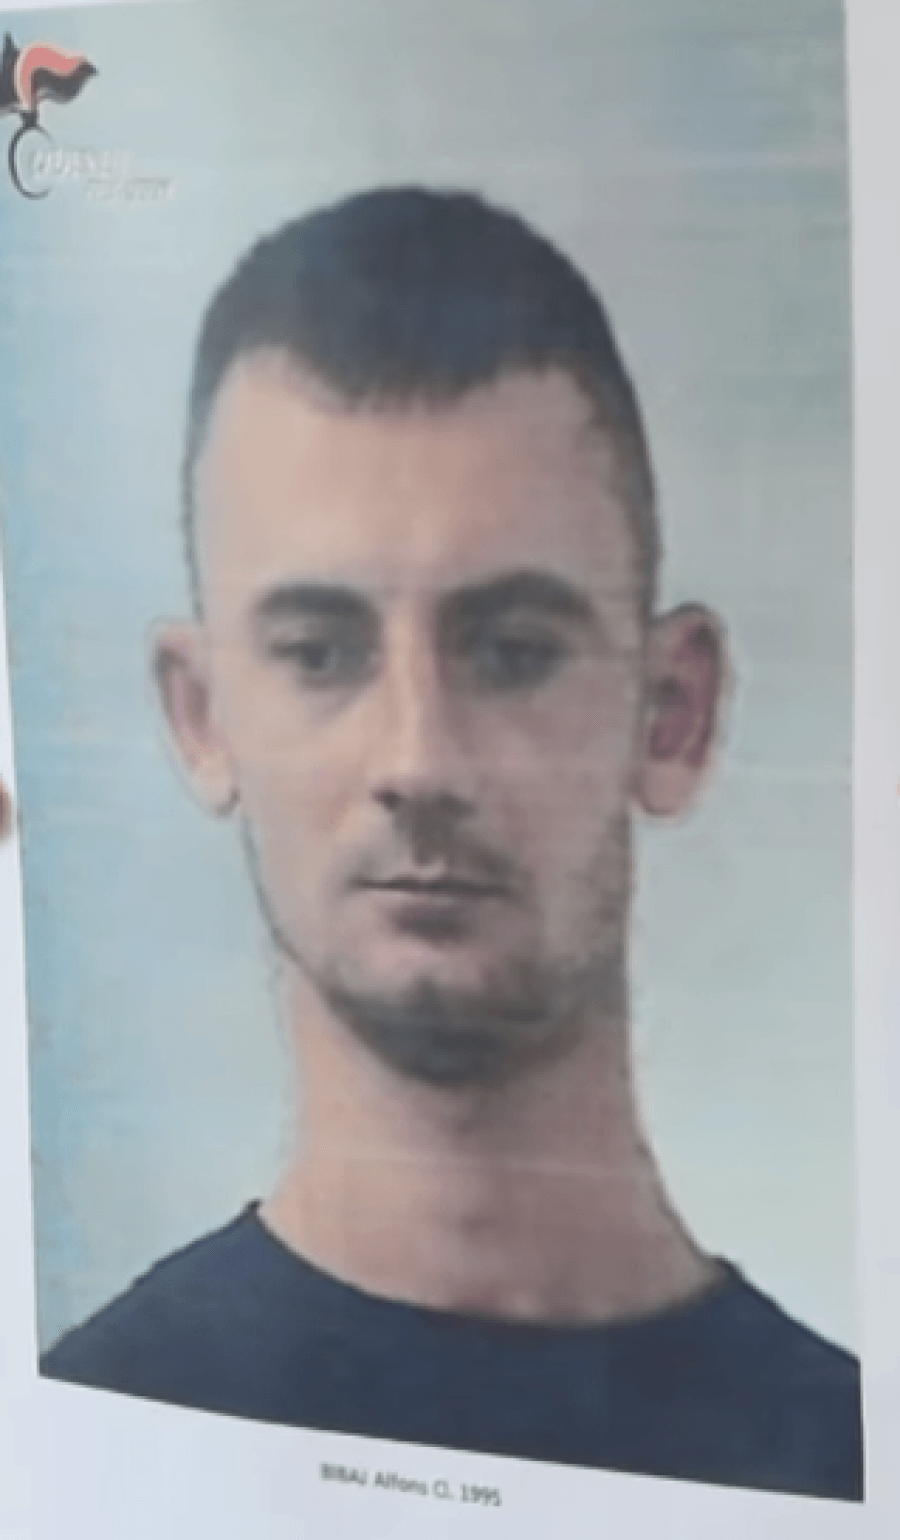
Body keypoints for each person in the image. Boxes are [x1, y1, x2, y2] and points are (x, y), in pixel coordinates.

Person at [40, 187, 862, 1501]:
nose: (418, 760)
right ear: (201, 717)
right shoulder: (75, 1450)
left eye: (513, 651)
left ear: (672, 713)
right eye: (321, 653)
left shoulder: (847, 1462)